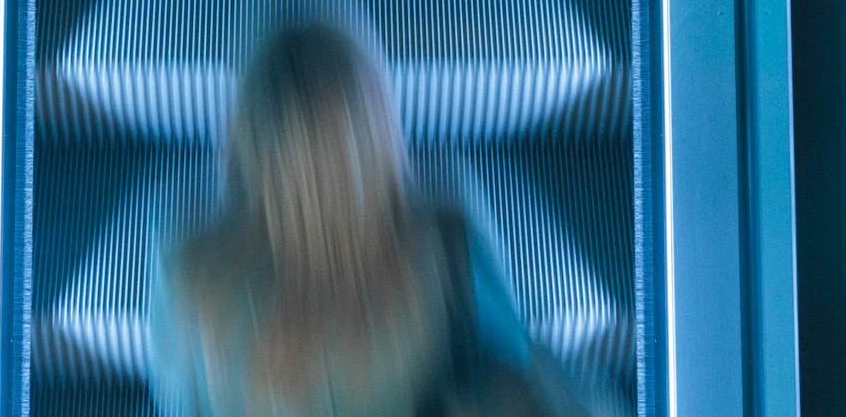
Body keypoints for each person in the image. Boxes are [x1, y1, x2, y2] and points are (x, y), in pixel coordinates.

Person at [148, 23, 583, 417]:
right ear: (375, 123)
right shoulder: (444, 244)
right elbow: (525, 375)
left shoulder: (191, 273)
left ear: (250, 137)